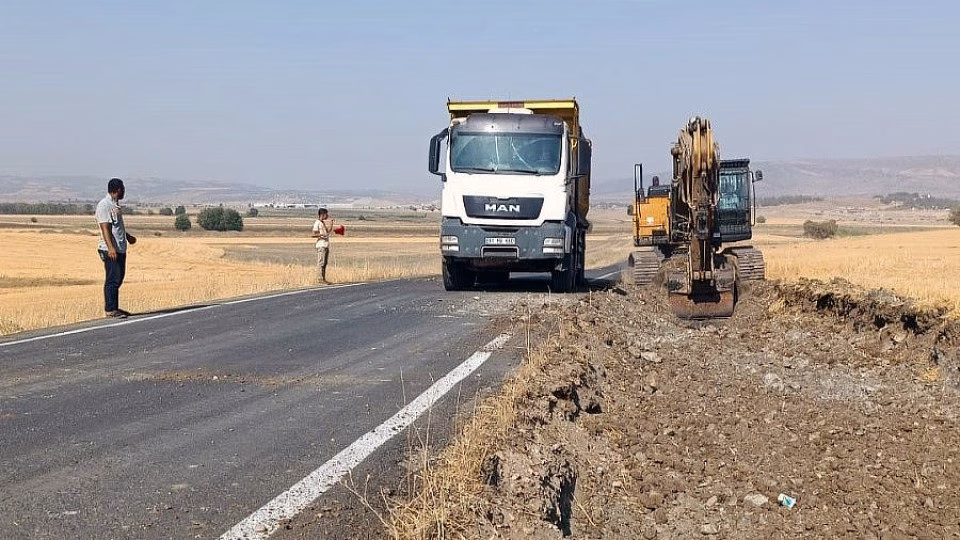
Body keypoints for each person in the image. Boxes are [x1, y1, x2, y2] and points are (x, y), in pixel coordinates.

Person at [96, 178, 137, 318]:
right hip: (110, 249)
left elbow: (116, 227)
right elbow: (105, 228)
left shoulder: (115, 205)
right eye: (123, 188)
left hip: (120, 247)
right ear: (118, 190)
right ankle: (110, 309)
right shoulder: (104, 205)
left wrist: (127, 236)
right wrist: (110, 248)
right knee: (113, 278)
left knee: (118, 278)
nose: (124, 191)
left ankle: (114, 307)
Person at [312, 208, 333, 284]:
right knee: (321, 262)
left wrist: (331, 224)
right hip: (321, 245)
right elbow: (313, 234)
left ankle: (323, 278)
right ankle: (320, 278)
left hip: (325, 244)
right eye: (326, 214)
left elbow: (327, 232)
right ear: (322, 215)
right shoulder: (317, 223)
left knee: (324, 262)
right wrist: (321, 235)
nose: (327, 216)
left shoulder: (322, 223)